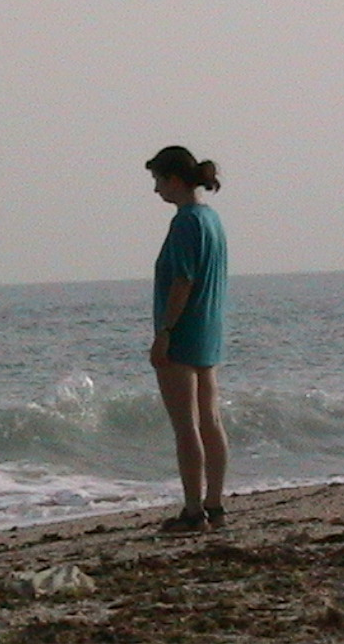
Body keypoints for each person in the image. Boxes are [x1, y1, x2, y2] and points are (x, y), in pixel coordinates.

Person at [146, 145, 229, 533]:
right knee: (210, 421)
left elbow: (182, 281)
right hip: (209, 332)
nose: (156, 190)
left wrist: (164, 331)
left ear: (173, 179)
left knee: (186, 426)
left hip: (183, 333)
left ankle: (193, 509)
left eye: (158, 181)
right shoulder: (211, 219)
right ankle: (214, 503)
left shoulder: (185, 222)